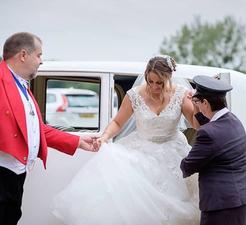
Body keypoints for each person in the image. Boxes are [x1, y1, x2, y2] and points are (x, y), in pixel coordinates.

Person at [53, 55, 200, 225]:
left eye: (160, 83)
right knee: (135, 205)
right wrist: (105, 137)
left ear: (168, 78)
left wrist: (196, 106)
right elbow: (117, 122)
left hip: (174, 154)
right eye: (150, 81)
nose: (154, 87)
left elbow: (196, 124)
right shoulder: (134, 95)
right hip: (141, 153)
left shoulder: (181, 94)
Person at [0, 32, 96, 225]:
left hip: (16, 173)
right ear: (23, 55)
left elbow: (36, 129)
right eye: (39, 55)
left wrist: (77, 141)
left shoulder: (21, 85)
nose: (41, 61)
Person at [180, 75, 246, 225]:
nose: (197, 104)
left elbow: (188, 166)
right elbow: (214, 129)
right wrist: (196, 108)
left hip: (219, 208)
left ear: (206, 103)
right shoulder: (234, 121)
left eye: (198, 102)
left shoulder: (208, 133)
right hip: (239, 201)